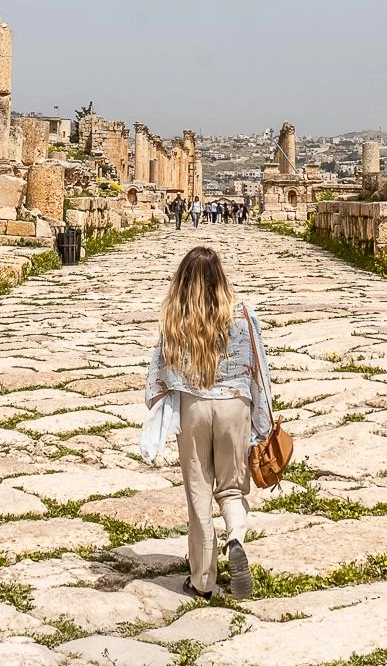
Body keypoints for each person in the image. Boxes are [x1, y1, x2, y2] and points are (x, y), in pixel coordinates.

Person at [143, 245, 273, 599]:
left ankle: (202, 580)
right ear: (221, 277)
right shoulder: (242, 313)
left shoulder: (176, 316)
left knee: (199, 493)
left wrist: (157, 404)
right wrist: (263, 421)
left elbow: (160, 369)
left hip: (195, 407)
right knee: (231, 488)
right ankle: (235, 539)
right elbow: (258, 369)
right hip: (234, 407)